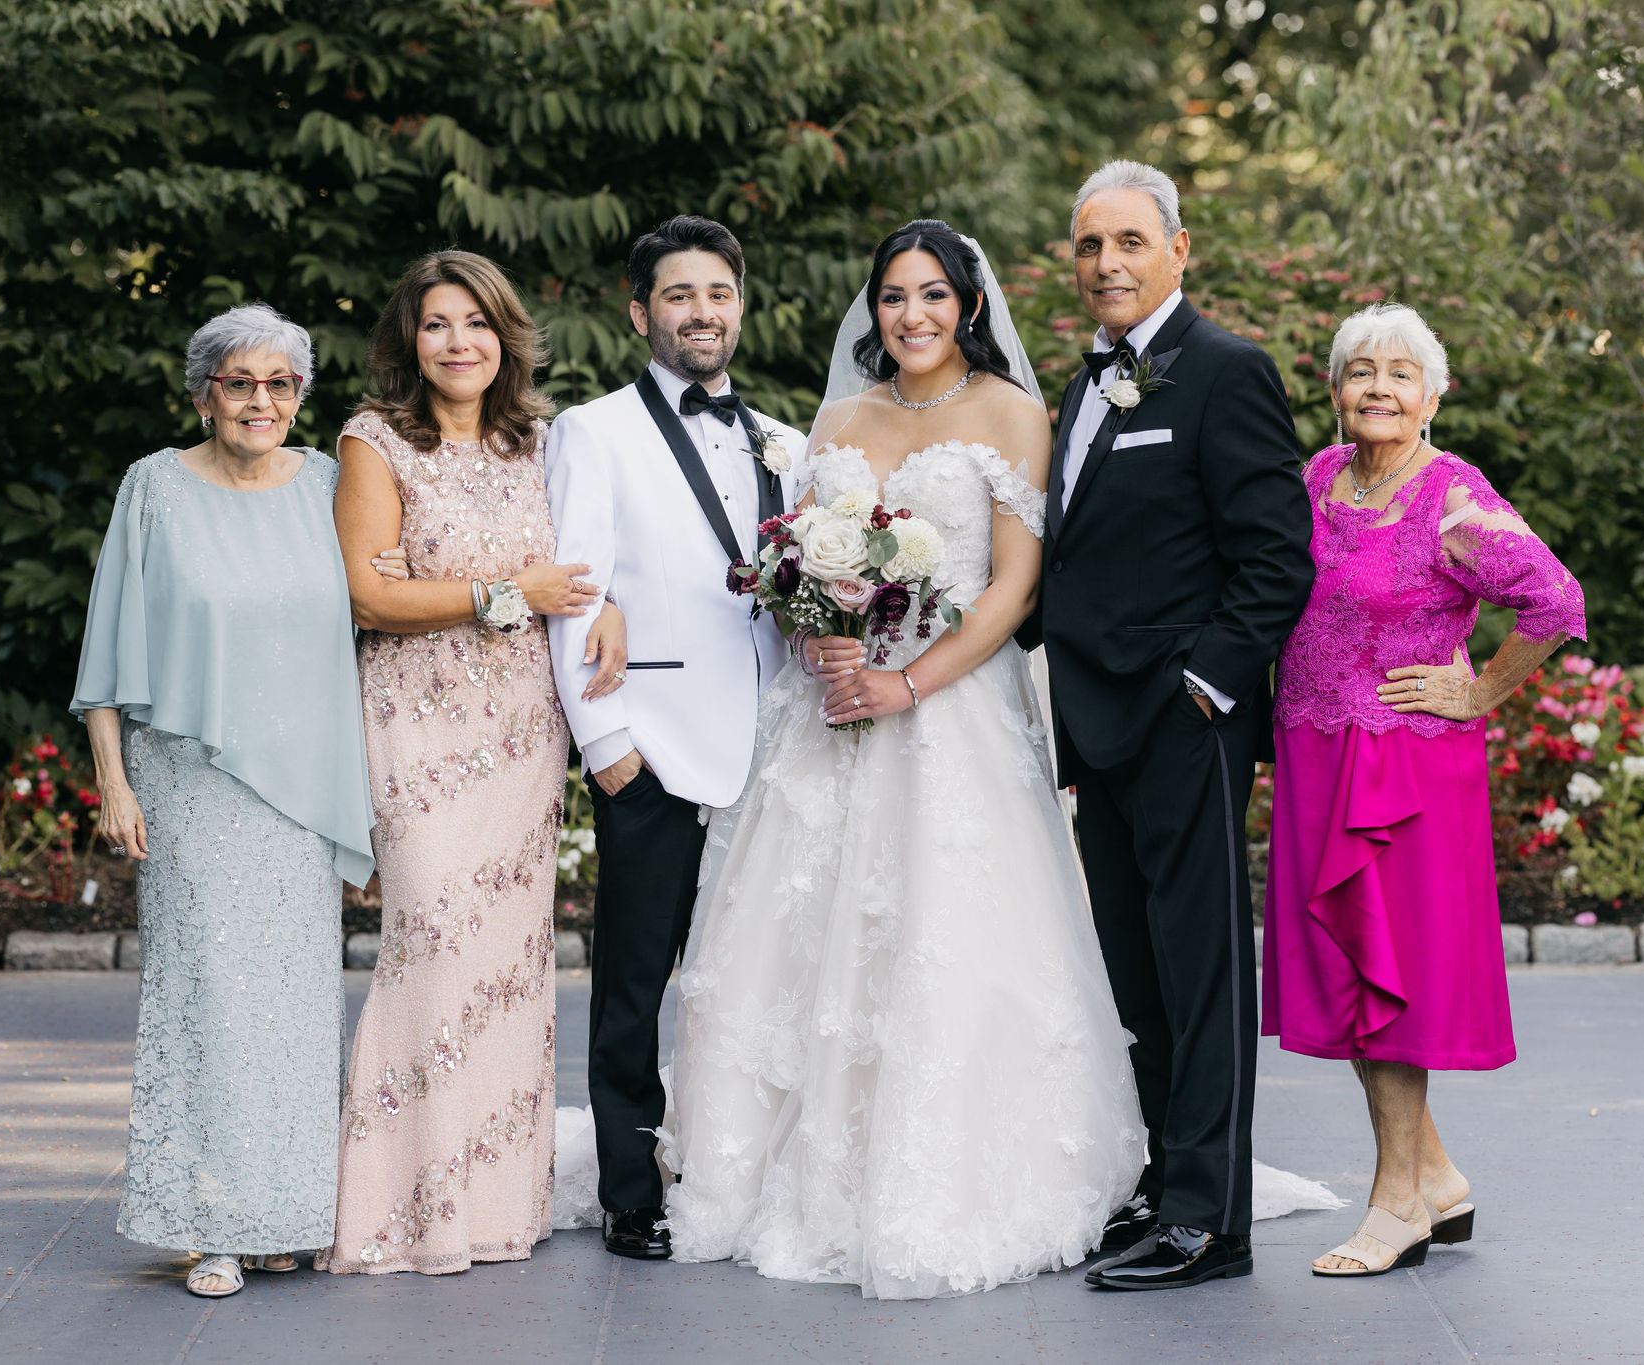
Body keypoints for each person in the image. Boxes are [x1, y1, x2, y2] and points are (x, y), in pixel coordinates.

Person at [660, 218, 1146, 1300]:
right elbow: (792, 563)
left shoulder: (1012, 413)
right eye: (893, 296)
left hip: (950, 713)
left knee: (937, 930)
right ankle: (773, 1171)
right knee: (798, 933)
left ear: (967, 305)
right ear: (872, 310)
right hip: (827, 713)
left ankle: (940, 1176)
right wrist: (816, 634)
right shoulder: (838, 417)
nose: (912, 315)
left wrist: (909, 681)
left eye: (932, 294)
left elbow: (1013, 587)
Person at [1032, 160, 1317, 1291]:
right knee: (1134, 969)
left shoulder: (1226, 371)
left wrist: (1205, 687)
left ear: (1178, 249)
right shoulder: (1080, 386)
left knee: (1201, 975)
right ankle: (1162, 1183)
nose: (1106, 263)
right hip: (1093, 721)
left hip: (1182, 720)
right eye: (1088, 245)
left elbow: (1276, 557)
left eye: (1129, 242)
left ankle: (1211, 1219)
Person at [319, 250, 625, 1276]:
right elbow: (369, 595)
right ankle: (397, 1210)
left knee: (509, 961)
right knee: (435, 944)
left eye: (477, 322)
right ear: (410, 340)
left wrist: (610, 606)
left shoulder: (540, 442)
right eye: (438, 323)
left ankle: (494, 1203)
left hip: (522, 732)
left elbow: (584, 567)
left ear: (506, 336)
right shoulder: (374, 441)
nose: (460, 342)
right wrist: (505, 593)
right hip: (418, 727)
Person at [1265, 303, 1585, 1276]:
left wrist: (1480, 690)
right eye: (1359, 371)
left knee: (1391, 986)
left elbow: (1554, 600)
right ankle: (1436, 1178)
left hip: (1402, 768)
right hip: (1317, 754)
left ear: (1432, 396)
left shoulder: (1452, 496)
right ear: (1332, 389)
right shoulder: (1317, 477)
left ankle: (1396, 1202)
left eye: (1400, 374)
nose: (1378, 388)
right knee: (1355, 979)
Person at [73, 303, 377, 1300]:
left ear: (300, 394)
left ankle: (285, 1217)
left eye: (279, 383)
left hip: (303, 790)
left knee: (293, 1006)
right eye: (239, 382)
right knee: (206, 996)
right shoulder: (153, 487)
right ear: (204, 393)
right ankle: (208, 1224)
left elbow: (378, 602)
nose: (260, 400)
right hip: (189, 785)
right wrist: (113, 780)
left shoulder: (330, 484)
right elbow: (108, 641)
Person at [544, 215, 805, 1261]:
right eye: (679, 295)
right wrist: (604, 739)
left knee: (747, 977)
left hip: (772, 747)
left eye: (718, 294)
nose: (702, 312)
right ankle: (628, 1189)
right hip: (649, 740)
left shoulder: (782, 439)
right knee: (635, 981)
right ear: (639, 311)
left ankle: (732, 1168)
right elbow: (576, 590)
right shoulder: (593, 431)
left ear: (740, 306)